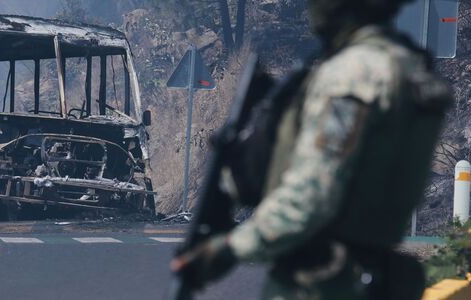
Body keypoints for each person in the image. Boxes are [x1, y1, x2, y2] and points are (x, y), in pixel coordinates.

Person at [171, 0, 453, 298]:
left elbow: (313, 194)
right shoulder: (408, 65)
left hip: (320, 282)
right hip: (375, 276)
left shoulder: (354, 74)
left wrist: (229, 248)